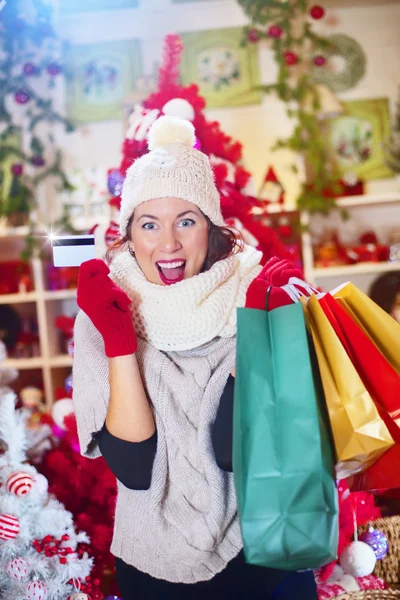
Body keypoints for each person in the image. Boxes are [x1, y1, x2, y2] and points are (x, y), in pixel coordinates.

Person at [73, 116, 318, 600]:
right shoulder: (101, 309)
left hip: (265, 553)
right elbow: (136, 468)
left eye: (186, 221)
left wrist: (259, 335)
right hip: (153, 565)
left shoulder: (253, 295)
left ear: (211, 229)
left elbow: (233, 450)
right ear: (129, 234)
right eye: (149, 224)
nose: (168, 244)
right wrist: (120, 343)